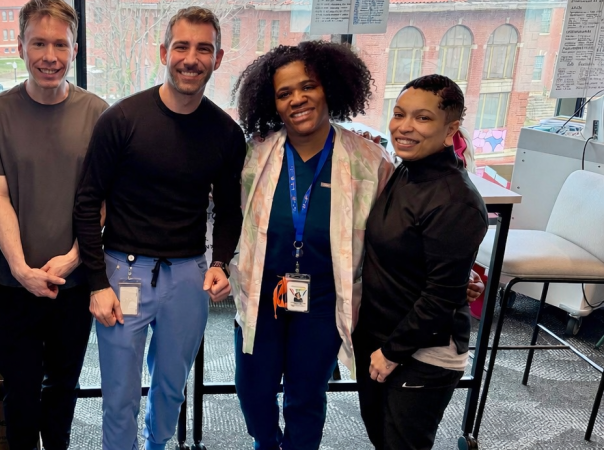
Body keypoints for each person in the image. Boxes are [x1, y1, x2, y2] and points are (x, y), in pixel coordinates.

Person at [73, 7, 245, 449]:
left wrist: (221, 262)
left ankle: (157, 445)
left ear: (218, 57)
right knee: (119, 396)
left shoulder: (225, 133)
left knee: (171, 387)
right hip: (121, 273)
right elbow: (88, 201)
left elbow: (230, 209)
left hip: (188, 276)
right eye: (182, 47)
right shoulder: (122, 120)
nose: (191, 58)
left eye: (203, 48)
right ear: (163, 52)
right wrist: (95, 282)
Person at [230, 41, 394, 450]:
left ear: (330, 89)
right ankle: (267, 444)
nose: (297, 99)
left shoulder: (369, 162)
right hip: (261, 293)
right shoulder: (255, 154)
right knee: (252, 390)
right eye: (284, 93)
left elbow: (396, 237)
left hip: (323, 298)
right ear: (273, 102)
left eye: (308, 87)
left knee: (306, 396)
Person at [0, 0, 109, 448]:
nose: (49, 55)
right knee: (19, 389)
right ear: (20, 46)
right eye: (39, 43)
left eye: (60, 44)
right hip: (15, 283)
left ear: (74, 49)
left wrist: (73, 260)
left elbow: (100, 201)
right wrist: (20, 269)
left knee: (63, 388)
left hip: (73, 283)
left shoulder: (97, 113)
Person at [354, 74, 487, 450]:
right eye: (399, 114)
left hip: (420, 353)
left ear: (451, 130)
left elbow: (441, 297)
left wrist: (392, 353)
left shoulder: (455, 199)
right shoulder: (406, 171)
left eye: (423, 118)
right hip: (383, 337)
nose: (405, 127)